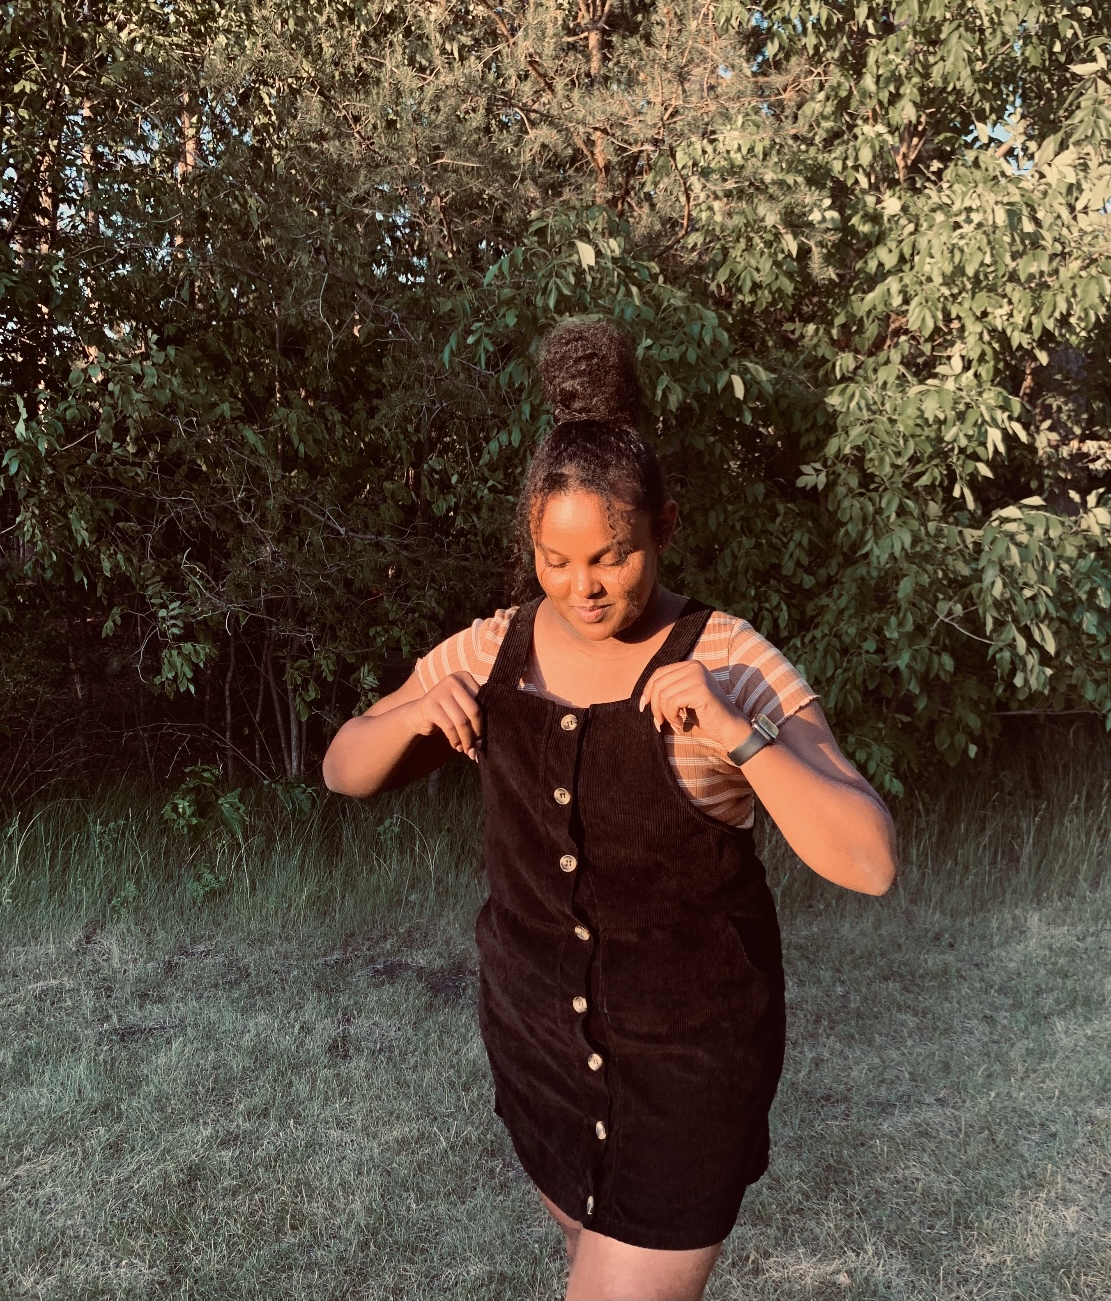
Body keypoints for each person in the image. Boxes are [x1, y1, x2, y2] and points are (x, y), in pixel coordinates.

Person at [322, 318, 897, 1301]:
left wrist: (741, 736)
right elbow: (345, 768)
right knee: (591, 1260)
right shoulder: (492, 648)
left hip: (688, 1073)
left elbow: (870, 860)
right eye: (555, 560)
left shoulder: (730, 660)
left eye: (612, 557)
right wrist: (413, 711)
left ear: (664, 528)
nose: (581, 588)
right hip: (537, 1049)